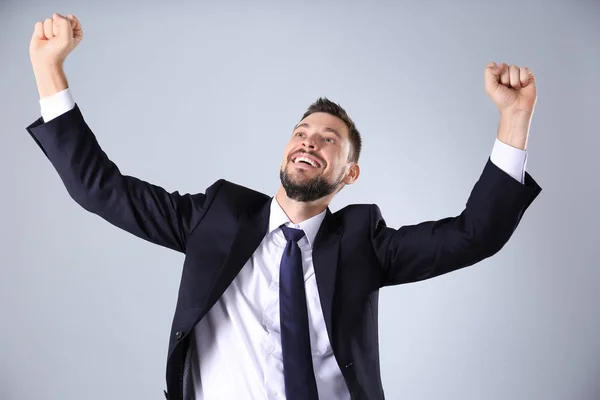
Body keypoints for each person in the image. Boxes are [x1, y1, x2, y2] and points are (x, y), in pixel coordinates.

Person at [26, 13, 542, 400]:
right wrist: (49, 71)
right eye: (301, 133)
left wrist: (514, 120)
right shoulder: (215, 217)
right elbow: (101, 189)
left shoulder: (366, 243)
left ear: (349, 175)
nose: (310, 142)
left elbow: (475, 234)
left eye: (329, 140)